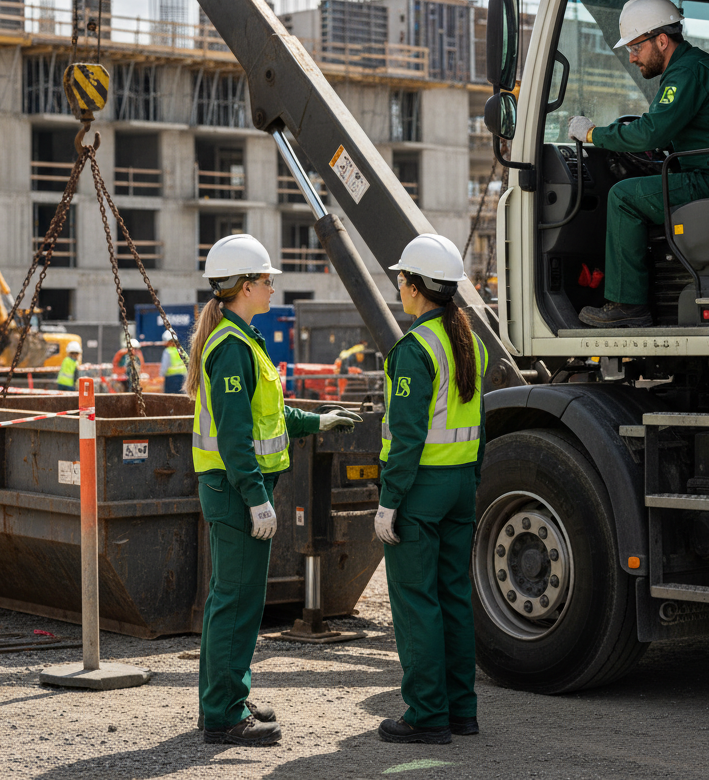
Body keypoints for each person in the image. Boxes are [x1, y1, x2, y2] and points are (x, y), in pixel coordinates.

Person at [188, 233, 361, 747]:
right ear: (244, 286)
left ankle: (225, 701)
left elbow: (269, 417)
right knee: (236, 603)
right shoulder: (232, 349)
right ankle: (222, 715)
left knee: (236, 600)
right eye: (266, 281)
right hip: (236, 489)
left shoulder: (243, 341)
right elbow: (236, 437)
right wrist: (256, 497)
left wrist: (317, 420)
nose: (271, 288)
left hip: (238, 488)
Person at [374, 233, 487, 745]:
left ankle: (426, 716)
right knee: (454, 598)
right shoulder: (470, 343)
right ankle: (462, 712)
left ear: (415, 285)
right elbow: (477, 424)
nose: (399, 286)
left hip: (420, 490)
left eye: (402, 278)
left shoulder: (414, 349)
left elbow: (406, 437)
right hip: (461, 484)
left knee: (416, 603)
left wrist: (388, 502)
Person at [568, 0, 709, 328]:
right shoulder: (693, 67)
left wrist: (594, 134)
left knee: (623, 197)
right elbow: (670, 132)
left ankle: (628, 305)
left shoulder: (686, 73)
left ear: (662, 40)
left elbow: (651, 132)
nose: (633, 56)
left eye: (636, 47)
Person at [160, 328, 188, 394]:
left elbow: (164, 367)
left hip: (171, 379)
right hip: (182, 378)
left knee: (169, 399)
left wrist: (161, 376)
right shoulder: (181, 350)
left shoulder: (167, 351)